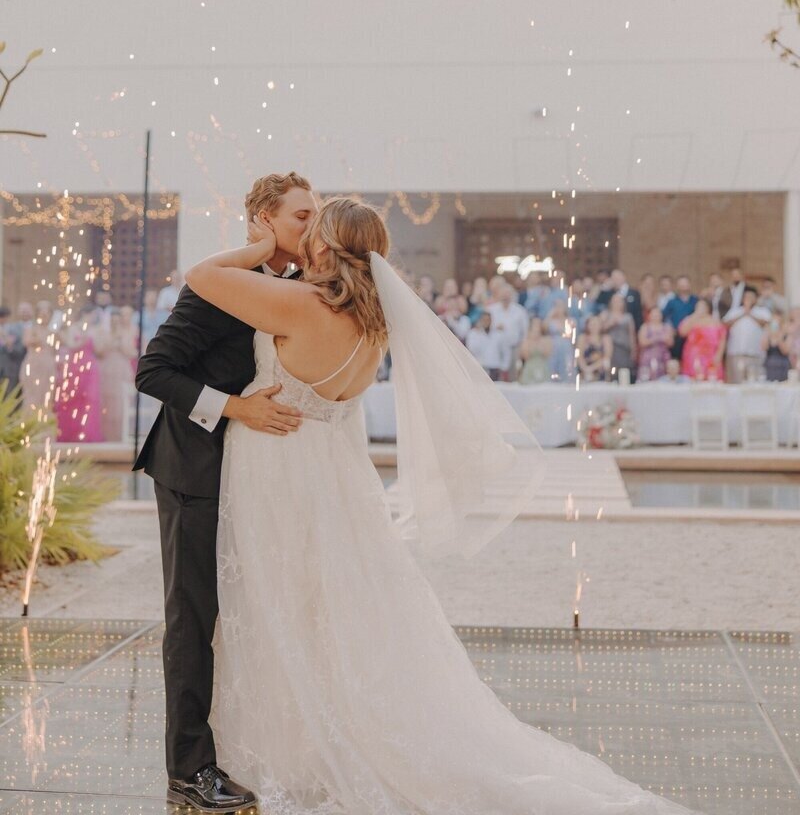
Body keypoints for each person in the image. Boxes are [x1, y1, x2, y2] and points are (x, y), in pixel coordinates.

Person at [182, 193, 693, 815]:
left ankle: (296, 747)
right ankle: (326, 734)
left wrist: (260, 248)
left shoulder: (300, 303)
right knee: (327, 612)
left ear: (323, 245)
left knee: (279, 606)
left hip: (277, 471)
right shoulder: (376, 324)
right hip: (333, 481)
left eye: (312, 230)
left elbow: (203, 277)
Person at [134, 172, 317, 811]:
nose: (311, 228)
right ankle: (188, 771)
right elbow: (152, 371)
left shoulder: (289, 287)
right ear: (262, 221)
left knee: (231, 616)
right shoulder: (219, 286)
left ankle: (230, 747)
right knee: (191, 619)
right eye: (299, 218)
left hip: (247, 479)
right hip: (191, 471)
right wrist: (235, 407)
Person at [52, 318, 104, 442]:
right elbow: (71, 345)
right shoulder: (72, 330)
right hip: (74, 367)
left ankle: (88, 433)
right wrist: (84, 338)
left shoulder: (94, 330)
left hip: (90, 368)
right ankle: (69, 433)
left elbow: (99, 350)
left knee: (90, 400)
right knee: (72, 400)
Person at [94, 306, 139, 441]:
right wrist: (110, 341)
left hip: (121, 369)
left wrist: (120, 343)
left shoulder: (127, 333)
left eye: (117, 320)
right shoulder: (103, 333)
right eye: (112, 321)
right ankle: (105, 435)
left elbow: (132, 353)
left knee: (120, 402)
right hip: (106, 368)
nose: (114, 323)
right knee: (105, 401)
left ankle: (120, 435)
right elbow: (99, 352)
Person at [723, 286, 771, 382]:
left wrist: (750, 313)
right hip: (736, 353)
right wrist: (743, 313)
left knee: (755, 381)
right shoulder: (735, 311)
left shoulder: (762, 311)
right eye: (746, 297)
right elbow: (725, 324)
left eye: (751, 297)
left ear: (756, 299)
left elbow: (766, 323)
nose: (748, 299)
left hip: (755, 353)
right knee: (736, 382)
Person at [487, 283, 529, 381]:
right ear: (499, 295)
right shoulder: (491, 310)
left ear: (512, 296)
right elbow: (484, 328)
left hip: (514, 348)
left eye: (508, 294)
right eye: (503, 294)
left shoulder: (520, 311)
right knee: (496, 377)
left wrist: (522, 348)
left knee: (512, 377)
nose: (505, 297)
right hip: (495, 349)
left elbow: (525, 332)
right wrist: (494, 327)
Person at [677, 299, 725, 381]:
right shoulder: (690, 319)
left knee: (711, 378)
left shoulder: (715, 321)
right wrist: (694, 316)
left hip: (711, 355)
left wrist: (719, 355)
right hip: (693, 356)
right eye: (698, 307)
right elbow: (682, 332)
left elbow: (722, 339)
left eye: (702, 306)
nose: (700, 308)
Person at [601, 292, 637, 380]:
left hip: (624, 348)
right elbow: (599, 329)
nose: (617, 303)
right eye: (615, 301)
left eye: (619, 301)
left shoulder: (628, 317)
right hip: (610, 348)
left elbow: (631, 334)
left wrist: (633, 349)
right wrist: (610, 324)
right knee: (611, 370)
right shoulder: (605, 314)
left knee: (624, 371)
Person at [465, 310, 508, 380]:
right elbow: (472, 349)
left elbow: (505, 351)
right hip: (480, 367)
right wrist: (479, 334)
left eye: (488, 320)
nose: (486, 322)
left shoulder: (498, 334)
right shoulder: (473, 333)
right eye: (484, 320)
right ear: (480, 320)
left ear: (491, 321)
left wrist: (504, 367)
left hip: (494, 367)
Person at [662, 276, 698, 360]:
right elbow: (663, 317)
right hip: (677, 336)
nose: (683, 286)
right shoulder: (672, 301)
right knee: (676, 359)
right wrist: (669, 329)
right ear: (677, 286)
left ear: (689, 285)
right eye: (681, 284)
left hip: (693, 336)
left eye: (685, 283)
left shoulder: (696, 300)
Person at [637, 307, 674, 381]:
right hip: (648, 357)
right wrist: (657, 339)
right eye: (654, 314)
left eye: (658, 314)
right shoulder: (645, 327)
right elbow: (642, 342)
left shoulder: (666, 327)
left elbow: (670, 342)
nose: (656, 316)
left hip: (663, 357)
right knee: (646, 377)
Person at [517, 317, 553, 384]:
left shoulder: (546, 339)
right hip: (530, 366)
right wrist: (532, 341)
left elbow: (547, 354)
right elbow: (525, 356)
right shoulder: (526, 340)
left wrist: (539, 342)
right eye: (535, 324)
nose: (537, 326)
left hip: (542, 366)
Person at [577, 314, 611, 382]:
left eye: (596, 324)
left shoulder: (606, 338)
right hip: (584, 371)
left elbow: (607, 357)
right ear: (587, 325)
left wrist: (591, 369)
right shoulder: (582, 338)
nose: (594, 326)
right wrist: (585, 369)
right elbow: (579, 357)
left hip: (601, 370)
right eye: (592, 324)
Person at [763, 316, 792, 382]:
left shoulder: (786, 335)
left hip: (782, 366)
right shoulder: (768, 335)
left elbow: (785, 351)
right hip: (770, 366)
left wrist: (779, 337)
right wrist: (768, 334)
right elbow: (764, 348)